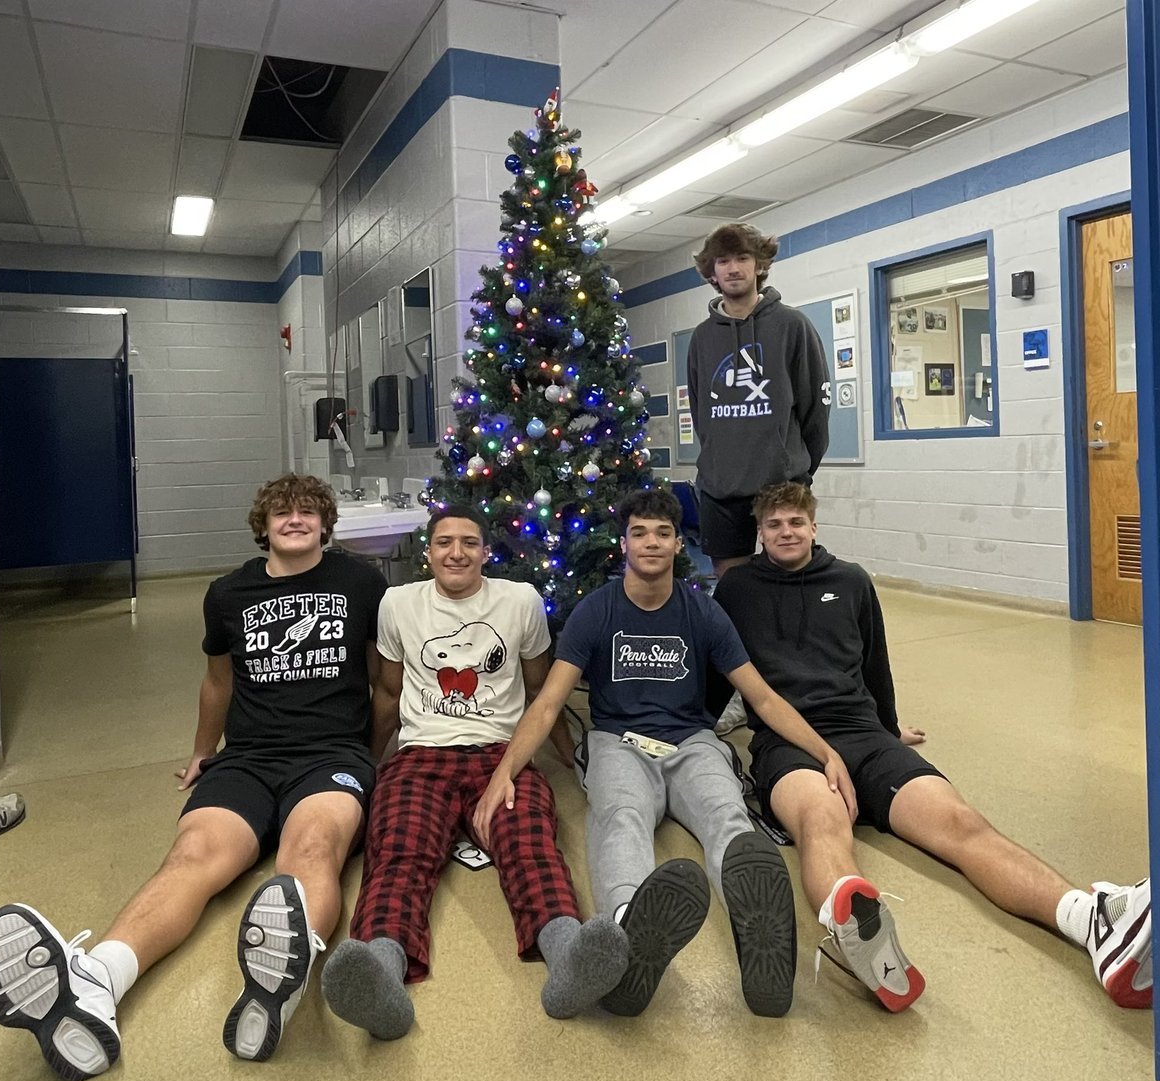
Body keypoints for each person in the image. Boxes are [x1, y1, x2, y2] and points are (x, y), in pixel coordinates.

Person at [0, 474, 388, 1081]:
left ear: (326, 523)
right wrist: (202, 752)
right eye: (281, 512)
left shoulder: (362, 582)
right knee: (191, 856)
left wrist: (374, 760)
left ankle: (282, 987)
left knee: (311, 850)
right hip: (246, 756)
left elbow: (384, 681)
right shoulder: (227, 593)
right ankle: (96, 983)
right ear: (262, 525)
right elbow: (218, 683)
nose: (294, 520)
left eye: (307, 511)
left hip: (330, 755)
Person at [712, 482, 1153, 1012]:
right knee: (821, 824)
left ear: (814, 526)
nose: (786, 532)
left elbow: (876, 664)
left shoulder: (850, 581)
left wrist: (889, 726)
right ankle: (855, 928)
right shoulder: (736, 588)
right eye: (774, 525)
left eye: (796, 523)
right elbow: (720, 669)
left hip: (863, 733)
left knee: (964, 826)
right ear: (760, 533)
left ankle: (1089, 918)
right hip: (788, 742)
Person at [477, 488, 851, 1018]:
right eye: (639, 533)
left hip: (692, 740)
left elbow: (762, 695)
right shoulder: (595, 611)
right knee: (621, 816)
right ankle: (630, 933)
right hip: (617, 742)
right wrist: (504, 772)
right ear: (623, 544)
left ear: (679, 544)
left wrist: (824, 751)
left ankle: (756, 930)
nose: (651, 542)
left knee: (728, 816)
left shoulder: (702, 612)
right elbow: (547, 704)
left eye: (662, 533)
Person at [319, 504, 627, 1040]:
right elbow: (388, 692)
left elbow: (539, 693)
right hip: (420, 757)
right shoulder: (398, 604)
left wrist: (570, 757)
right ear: (428, 553)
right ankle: (382, 975)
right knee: (399, 852)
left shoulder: (520, 601)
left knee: (529, 842)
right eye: (443, 543)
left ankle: (567, 954)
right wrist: (370, 765)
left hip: (501, 755)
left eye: (468, 542)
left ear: (486, 552)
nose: (456, 553)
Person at [688, 222, 831, 579]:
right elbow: (700, 413)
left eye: (742, 258)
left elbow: (815, 410)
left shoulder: (792, 325)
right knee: (731, 584)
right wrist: (721, 461)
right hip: (721, 487)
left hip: (782, 482)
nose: (733, 268)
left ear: (760, 265)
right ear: (712, 271)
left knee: (790, 578)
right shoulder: (702, 338)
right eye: (722, 261)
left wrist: (795, 466)